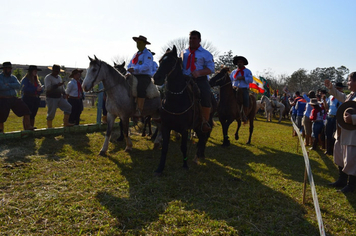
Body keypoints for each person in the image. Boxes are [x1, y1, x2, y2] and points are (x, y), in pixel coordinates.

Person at [325, 73, 356, 193]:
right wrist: (331, 88)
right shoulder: (351, 95)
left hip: (353, 135)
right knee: (339, 155)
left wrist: (353, 118)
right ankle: (341, 180)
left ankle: (351, 185)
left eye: (349, 80)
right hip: (343, 132)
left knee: (351, 160)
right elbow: (341, 96)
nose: (347, 83)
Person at [182, 30, 215, 132]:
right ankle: (166, 115)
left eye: (194, 38)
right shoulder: (183, 53)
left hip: (199, 80)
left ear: (199, 40)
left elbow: (211, 69)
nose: (191, 40)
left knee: (206, 95)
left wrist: (199, 72)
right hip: (184, 79)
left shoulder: (206, 54)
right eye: (190, 38)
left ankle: (205, 122)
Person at [0, 61, 34, 132]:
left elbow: (18, 85)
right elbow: (1, 87)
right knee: (1, 117)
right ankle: (1, 131)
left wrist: (8, 84)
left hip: (13, 98)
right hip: (3, 99)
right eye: (8, 68)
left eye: (10, 68)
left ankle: (28, 127)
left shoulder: (13, 77)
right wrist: (12, 85)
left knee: (26, 110)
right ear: (4, 69)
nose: (10, 70)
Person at [127, 35, 153, 116]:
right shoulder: (135, 55)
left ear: (144, 44)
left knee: (140, 87)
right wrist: (128, 69)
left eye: (140, 43)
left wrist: (135, 69)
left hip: (144, 76)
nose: (138, 44)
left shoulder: (148, 54)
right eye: (137, 43)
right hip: (133, 75)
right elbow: (130, 64)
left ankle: (139, 110)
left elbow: (146, 66)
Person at [324, 82, 345, 155]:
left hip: (338, 118)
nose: (338, 89)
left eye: (340, 88)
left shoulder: (344, 97)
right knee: (328, 133)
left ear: (342, 89)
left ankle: (334, 151)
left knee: (336, 135)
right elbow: (327, 107)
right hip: (330, 117)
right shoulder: (330, 97)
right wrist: (324, 101)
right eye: (337, 88)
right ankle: (328, 149)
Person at [230, 55, 253, 123]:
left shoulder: (247, 71)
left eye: (241, 62)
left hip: (243, 89)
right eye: (238, 62)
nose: (239, 63)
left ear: (243, 63)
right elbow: (230, 80)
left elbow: (251, 80)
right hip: (234, 89)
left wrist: (243, 78)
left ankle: (245, 115)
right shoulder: (233, 72)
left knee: (246, 99)